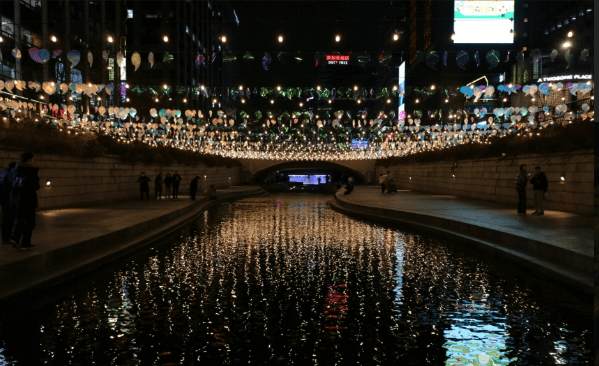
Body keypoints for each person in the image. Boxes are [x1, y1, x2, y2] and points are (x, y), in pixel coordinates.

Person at [10, 152, 40, 250]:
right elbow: (36, 186)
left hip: (17, 200)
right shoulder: (30, 171)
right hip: (28, 200)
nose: (33, 162)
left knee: (21, 220)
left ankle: (15, 238)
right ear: (29, 160)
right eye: (33, 159)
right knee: (30, 222)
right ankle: (25, 243)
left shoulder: (13, 171)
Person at [0, 162, 16, 244]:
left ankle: (5, 236)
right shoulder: (11, 174)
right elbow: (12, 186)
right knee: (9, 218)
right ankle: (7, 236)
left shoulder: (3, 172)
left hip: (3, 198)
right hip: (8, 198)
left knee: (6, 217)